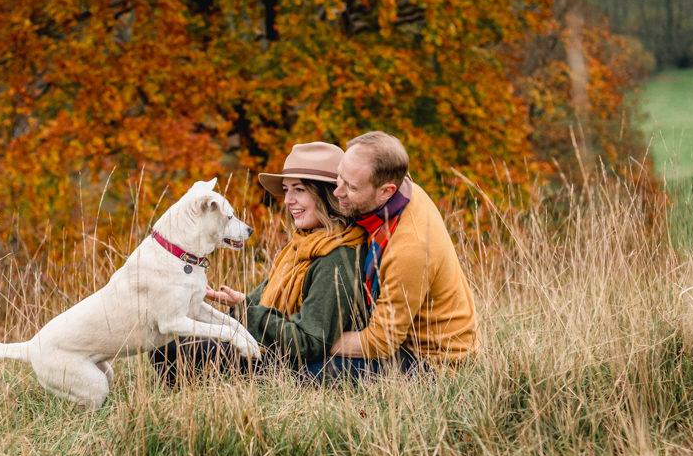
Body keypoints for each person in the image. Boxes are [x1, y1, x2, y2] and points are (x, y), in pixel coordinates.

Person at [150, 142, 368, 383]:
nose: (287, 200)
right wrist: (237, 302)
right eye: (286, 190)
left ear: (327, 194)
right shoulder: (302, 245)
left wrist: (246, 308)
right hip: (272, 348)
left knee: (172, 350)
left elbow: (309, 342)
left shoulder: (338, 257)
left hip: (285, 364)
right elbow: (264, 304)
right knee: (169, 342)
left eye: (299, 190)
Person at [304, 131, 479, 382]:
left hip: (432, 362)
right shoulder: (402, 193)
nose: (337, 191)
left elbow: (380, 342)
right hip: (403, 339)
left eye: (351, 187)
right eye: (339, 177)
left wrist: (308, 339)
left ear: (387, 191)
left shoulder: (410, 249)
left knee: (304, 373)